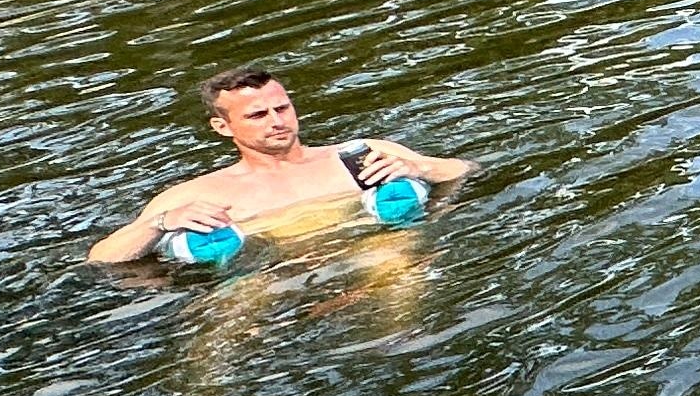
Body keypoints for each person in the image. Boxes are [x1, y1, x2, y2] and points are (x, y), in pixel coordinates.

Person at [88, 68, 470, 267]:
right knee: (230, 314)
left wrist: (420, 169)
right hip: (266, 276)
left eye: (282, 108)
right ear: (223, 127)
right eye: (257, 114)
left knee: (395, 263)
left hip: (374, 252)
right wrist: (160, 223)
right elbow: (103, 258)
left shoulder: (358, 156)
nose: (276, 121)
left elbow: (465, 168)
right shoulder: (198, 194)